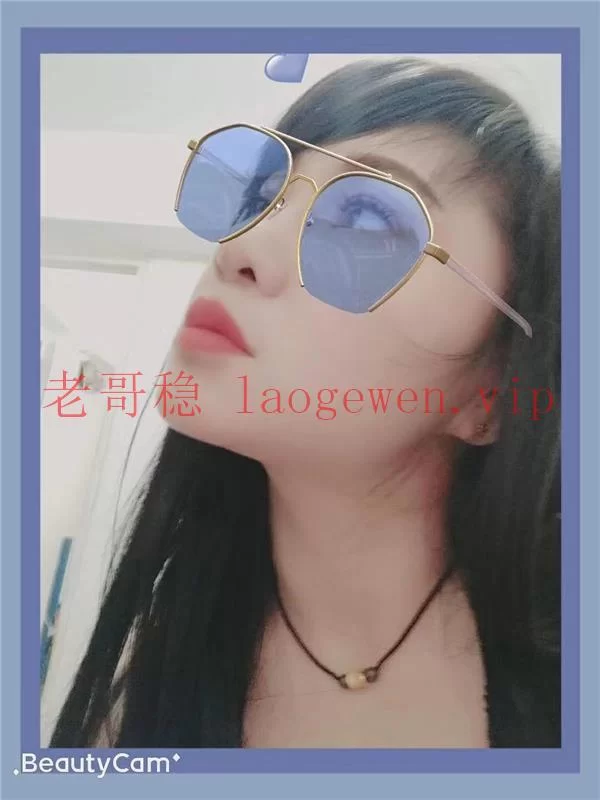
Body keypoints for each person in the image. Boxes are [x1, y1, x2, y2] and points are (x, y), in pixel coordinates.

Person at [50, 57, 561, 749]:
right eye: (261, 196)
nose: (242, 247)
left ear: (493, 394)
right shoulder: (155, 683)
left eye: (366, 222)